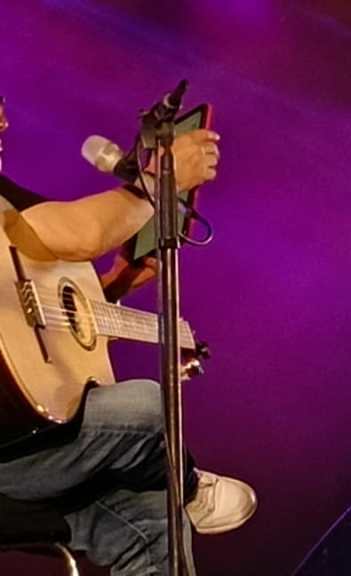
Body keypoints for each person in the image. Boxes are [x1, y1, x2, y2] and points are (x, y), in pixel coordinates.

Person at [0, 98, 256, 575]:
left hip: (29, 446)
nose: (4, 120)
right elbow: (77, 235)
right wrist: (157, 184)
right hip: (11, 459)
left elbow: (23, 317)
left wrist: (110, 286)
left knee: (154, 521)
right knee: (146, 410)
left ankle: (176, 485)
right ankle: (188, 483)